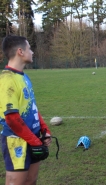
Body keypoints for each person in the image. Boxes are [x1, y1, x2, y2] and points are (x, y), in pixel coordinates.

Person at [0, 35, 52, 185]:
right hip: (16, 140)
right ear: (20, 52)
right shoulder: (7, 80)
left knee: (31, 181)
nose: (32, 52)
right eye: (29, 48)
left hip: (33, 137)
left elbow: (32, 107)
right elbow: (12, 119)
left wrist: (43, 129)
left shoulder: (24, 77)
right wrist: (34, 141)